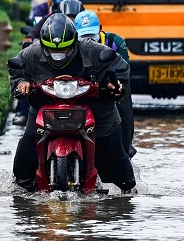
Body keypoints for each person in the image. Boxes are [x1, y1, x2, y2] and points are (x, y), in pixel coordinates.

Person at [9, 14, 136, 192]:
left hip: (98, 110)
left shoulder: (93, 50)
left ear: (75, 42)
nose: (58, 56)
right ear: (44, 45)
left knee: (120, 173)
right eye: (53, 51)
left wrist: (112, 84)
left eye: (64, 50)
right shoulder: (31, 54)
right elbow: (15, 69)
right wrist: (21, 83)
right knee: (23, 165)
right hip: (43, 110)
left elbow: (120, 67)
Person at [75, 10, 136, 159]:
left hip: (107, 87)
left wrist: (113, 84)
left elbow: (123, 70)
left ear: (100, 29)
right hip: (79, 87)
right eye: (84, 36)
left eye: (92, 36)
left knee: (122, 94)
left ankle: (125, 149)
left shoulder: (115, 42)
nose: (89, 41)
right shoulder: (70, 46)